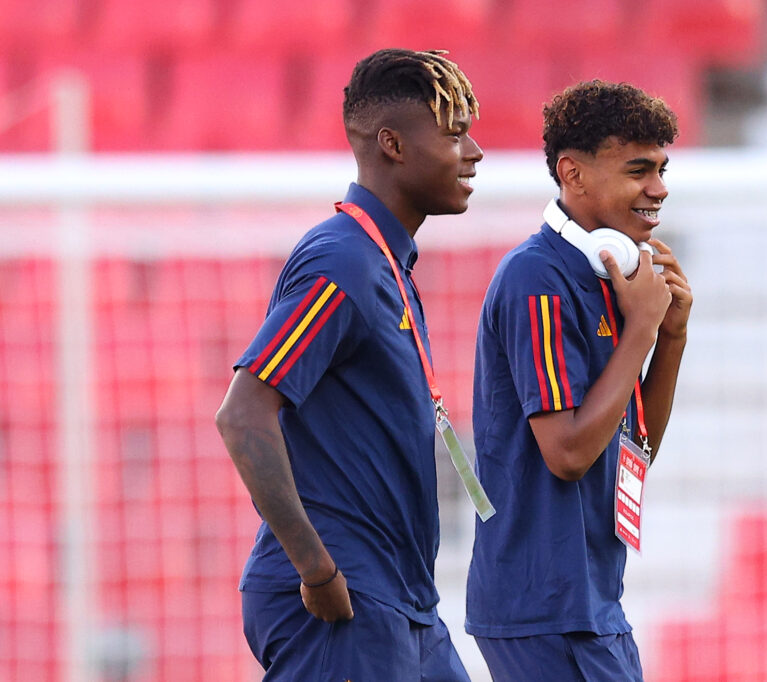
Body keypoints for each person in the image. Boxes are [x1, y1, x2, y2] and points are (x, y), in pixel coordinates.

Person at [215, 48, 483, 681]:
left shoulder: (388, 263)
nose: (473, 153)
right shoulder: (343, 261)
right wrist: (318, 570)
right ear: (391, 144)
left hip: (403, 599)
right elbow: (243, 413)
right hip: (342, 596)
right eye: (454, 134)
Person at [466, 80, 692, 680]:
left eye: (663, 169)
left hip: (592, 604)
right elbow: (567, 453)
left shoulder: (613, 278)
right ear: (574, 174)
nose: (659, 189)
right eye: (638, 169)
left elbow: (630, 454)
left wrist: (669, 336)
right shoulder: (536, 279)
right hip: (543, 609)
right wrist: (642, 328)